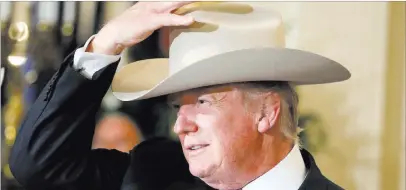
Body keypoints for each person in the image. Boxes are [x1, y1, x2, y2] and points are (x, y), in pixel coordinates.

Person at [9, 2, 351, 190]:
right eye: (177, 106)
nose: (179, 126)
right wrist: (106, 42)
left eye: (202, 102)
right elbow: (40, 166)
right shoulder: (153, 173)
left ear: (266, 112)